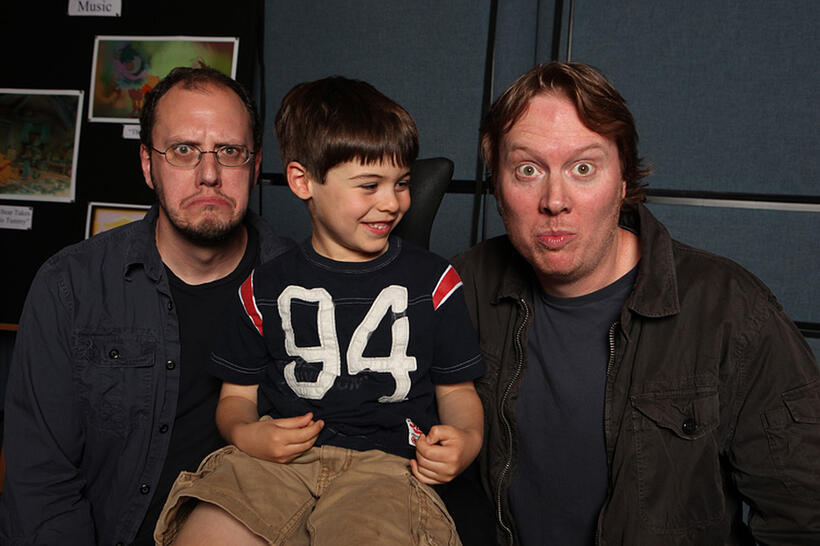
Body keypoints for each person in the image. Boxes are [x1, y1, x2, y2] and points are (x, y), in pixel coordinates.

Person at [450, 62, 820, 545]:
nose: (555, 200)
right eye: (528, 169)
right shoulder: (458, 290)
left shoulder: (730, 310)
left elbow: (805, 516)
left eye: (583, 168)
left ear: (623, 180)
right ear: (498, 187)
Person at [153, 76, 486, 545]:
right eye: (369, 185)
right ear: (303, 181)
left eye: (402, 183)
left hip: (387, 470)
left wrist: (466, 440)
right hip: (275, 465)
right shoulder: (262, 287)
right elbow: (234, 399)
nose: (392, 203)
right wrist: (249, 436)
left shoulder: (435, 283)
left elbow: (458, 391)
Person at [0, 67, 293, 545]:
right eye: (182, 151)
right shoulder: (70, 286)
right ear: (147, 164)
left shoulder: (303, 288)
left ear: (255, 166)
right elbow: (41, 481)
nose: (209, 174)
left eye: (229, 152)